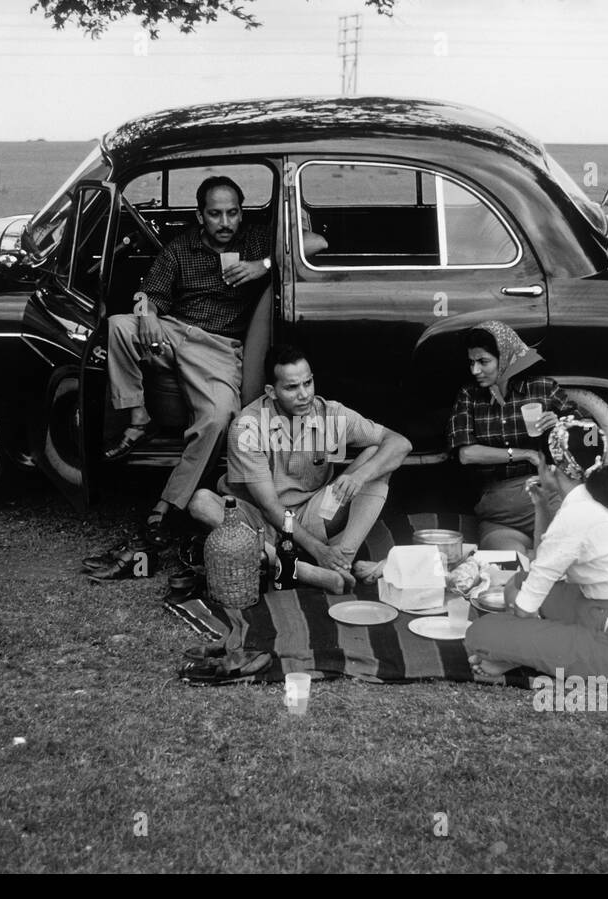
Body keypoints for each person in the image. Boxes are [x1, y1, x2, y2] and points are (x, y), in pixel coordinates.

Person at [102, 176, 272, 543]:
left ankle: (167, 505)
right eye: (215, 214)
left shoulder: (255, 239)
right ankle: (137, 416)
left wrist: (264, 264)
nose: (225, 223)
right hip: (174, 332)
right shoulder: (181, 248)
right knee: (118, 325)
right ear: (200, 215)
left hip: (220, 346)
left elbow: (316, 242)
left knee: (217, 418)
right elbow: (151, 293)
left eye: (233, 213)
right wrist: (147, 312)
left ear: (242, 213)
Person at [188, 344, 412, 594]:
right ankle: (307, 571)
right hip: (261, 524)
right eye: (292, 387)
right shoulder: (248, 426)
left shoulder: (331, 413)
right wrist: (319, 551)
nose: (304, 394)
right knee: (201, 503)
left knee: (376, 456)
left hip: (312, 515)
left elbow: (400, 443)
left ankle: (340, 562)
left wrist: (360, 475)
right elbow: (270, 507)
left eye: (308, 383)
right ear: (272, 392)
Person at [464, 417, 608, 680]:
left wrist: (516, 638)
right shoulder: (598, 496)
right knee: (519, 583)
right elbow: (540, 567)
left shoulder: (577, 514)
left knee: (481, 634)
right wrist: (541, 505)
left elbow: (525, 609)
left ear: (554, 468)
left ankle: (524, 655)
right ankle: (537, 649)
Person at [447, 320, 575, 554]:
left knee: (561, 555)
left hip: (545, 493)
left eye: (483, 362)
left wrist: (561, 425)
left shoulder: (543, 389)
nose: (475, 370)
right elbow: (466, 454)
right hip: (500, 508)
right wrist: (523, 454)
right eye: (472, 362)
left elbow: (589, 438)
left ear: (505, 358)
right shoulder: (470, 395)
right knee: (506, 564)